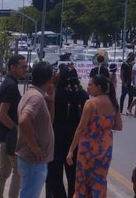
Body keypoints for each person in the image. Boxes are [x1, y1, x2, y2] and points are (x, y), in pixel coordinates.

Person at [67, 73, 123, 197]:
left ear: (98, 87)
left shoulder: (90, 104)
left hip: (88, 149)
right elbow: (119, 126)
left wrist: (71, 150)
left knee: (83, 180)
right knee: (100, 180)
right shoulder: (114, 103)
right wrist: (104, 126)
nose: (88, 87)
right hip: (105, 148)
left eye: (90, 85)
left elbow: (81, 128)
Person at [16, 61, 56, 198]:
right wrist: (35, 148)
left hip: (34, 161)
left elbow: (48, 122)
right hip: (33, 161)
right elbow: (23, 121)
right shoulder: (36, 98)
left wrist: (51, 100)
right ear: (49, 80)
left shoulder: (34, 94)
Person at [47, 65, 88, 198]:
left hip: (55, 140)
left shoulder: (54, 93)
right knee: (73, 177)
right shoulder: (82, 95)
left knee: (54, 176)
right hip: (75, 141)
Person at [0, 55, 28, 198]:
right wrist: (16, 128)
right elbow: (1, 114)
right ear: (12, 67)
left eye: (26, 66)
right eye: (23, 67)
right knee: (18, 171)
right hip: (10, 137)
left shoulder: (7, 83)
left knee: (3, 172)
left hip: (4, 136)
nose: (25, 69)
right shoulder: (11, 87)